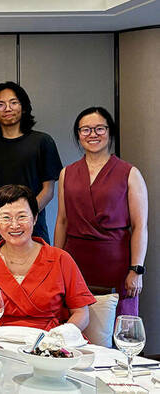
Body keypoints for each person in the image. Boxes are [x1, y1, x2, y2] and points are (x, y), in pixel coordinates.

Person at [55, 107, 147, 317]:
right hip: (75, 262)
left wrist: (137, 269)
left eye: (99, 128)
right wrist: (55, 263)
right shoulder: (66, 173)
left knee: (119, 327)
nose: (93, 134)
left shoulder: (130, 173)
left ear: (110, 132)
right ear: (78, 134)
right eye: (85, 129)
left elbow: (140, 225)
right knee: (75, 327)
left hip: (117, 264)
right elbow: (62, 221)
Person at [0, 185, 95, 331]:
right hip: (1, 341)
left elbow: (81, 313)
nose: (14, 225)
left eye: (22, 216)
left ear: (34, 218)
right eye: (6, 218)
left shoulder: (61, 259)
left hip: (49, 342)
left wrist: (60, 336)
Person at [0, 81, 62, 250]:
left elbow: (48, 190)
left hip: (35, 231)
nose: (8, 108)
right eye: (0, 104)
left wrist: (24, 218)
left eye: (14, 102)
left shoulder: (43, 142)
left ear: (24, 107)